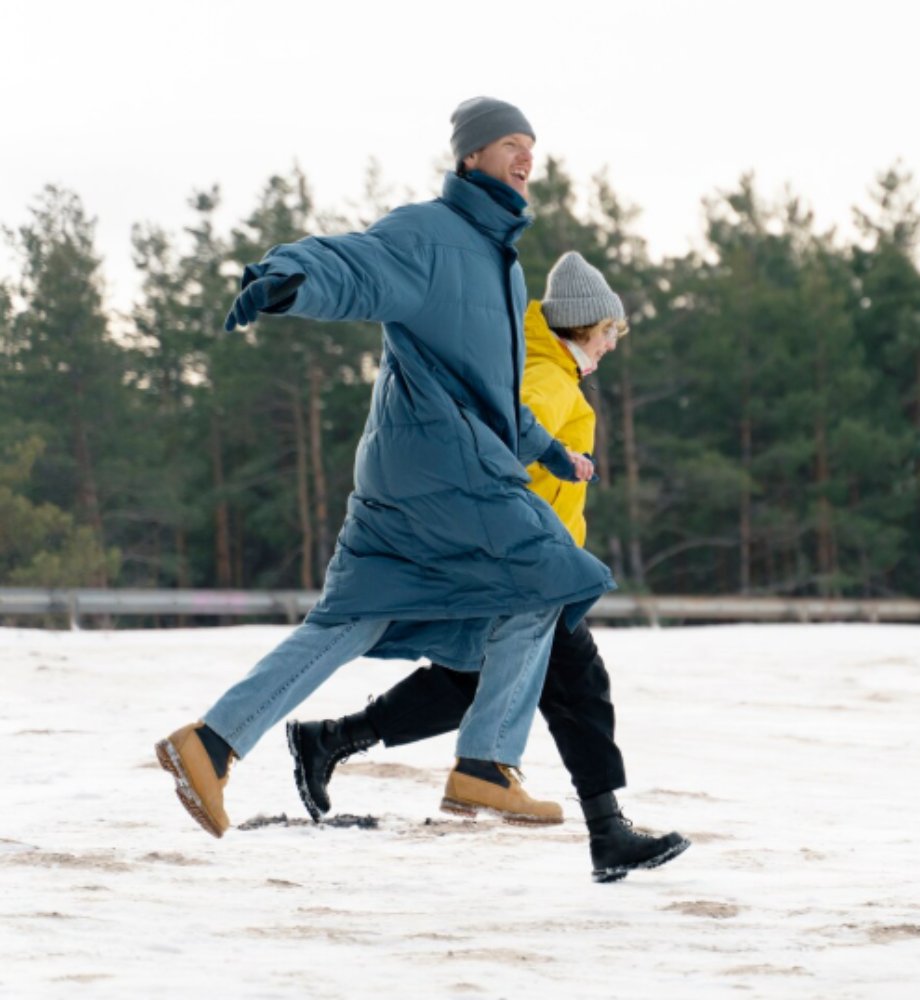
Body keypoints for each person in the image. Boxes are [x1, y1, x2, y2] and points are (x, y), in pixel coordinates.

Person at [156, 98, 614, 840]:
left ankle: (209, 745)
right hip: (450, 473)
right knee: (549, 579)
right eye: (507, 144)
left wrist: (550, 450)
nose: (524, 157)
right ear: (471, 157)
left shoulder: (503, 263)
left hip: (408, 480)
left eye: (530, 145)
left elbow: (490, 391)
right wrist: (286, 278)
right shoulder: (430, 233)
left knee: (349, 621)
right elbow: (353, 263)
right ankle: (487, 765)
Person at [287, 253, 689, 883]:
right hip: (527, 570)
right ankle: (608, 832)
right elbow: (497, 448)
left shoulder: (545, 370)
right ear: (583, 328)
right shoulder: (546, 382)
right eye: (610, 331)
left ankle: (332, 738)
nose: (613, 344)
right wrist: (524, 534)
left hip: (522, 567)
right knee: (579, 688)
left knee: (473, 683)